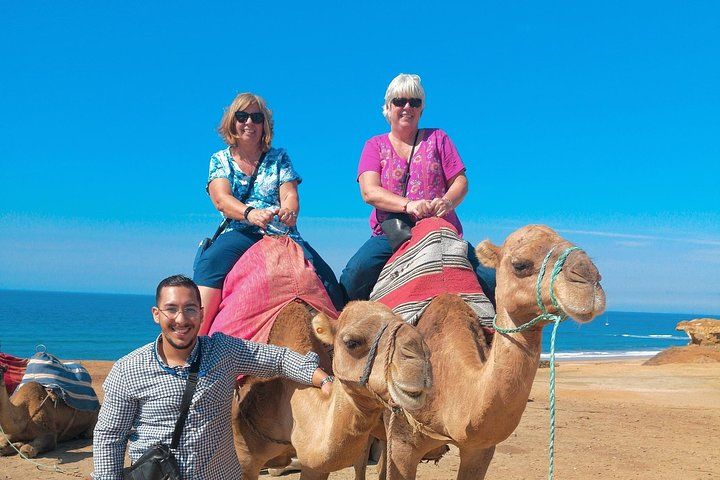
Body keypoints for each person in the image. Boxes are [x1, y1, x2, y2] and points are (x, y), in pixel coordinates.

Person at [91, 274, 333, 480]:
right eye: (171, 309)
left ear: (201, 313)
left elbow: (278, 359)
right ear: (156, 314)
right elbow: (110, 437)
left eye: (189, 309)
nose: (181, 319)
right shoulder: (128, 370)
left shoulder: (223, 351)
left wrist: (323, 379)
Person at [339, 73, 496, 305]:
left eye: (414, 102)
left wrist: (446, 202)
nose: (407, 107)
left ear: (422, 109)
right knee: (352, 279)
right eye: (400, 101)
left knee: (492, 279)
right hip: (393, 233)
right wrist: (409, 205)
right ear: (388, 107)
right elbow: (369, 191)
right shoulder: (375, 145)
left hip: (440, 227)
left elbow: (460, 182)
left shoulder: (438, 138)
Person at [193, 92, 344, 323]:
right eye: (242, 116)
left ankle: (345, 339)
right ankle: (195, 341)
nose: (249, 123)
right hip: (240, 231)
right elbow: (221, 199)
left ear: (265, 124)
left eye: (256, 117)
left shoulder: (279, 157)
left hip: (281, 231)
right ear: (232, 121)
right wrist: (250, 214)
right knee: (211, 263)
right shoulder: (220, 160)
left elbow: (290, 193)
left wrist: (289, 212)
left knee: (326, 279)